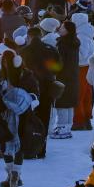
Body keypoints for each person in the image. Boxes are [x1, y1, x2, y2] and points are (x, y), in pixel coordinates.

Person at [0, 50, 38, 187]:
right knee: (18, 145)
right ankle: (15, 174)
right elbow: (34, 95)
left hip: (7, 115)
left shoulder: (2, 75)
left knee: (6, 144)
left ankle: (11, 175)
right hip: (22, 114)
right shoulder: (26, 75)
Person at [20, 26, 62, 157]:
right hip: (47, 88)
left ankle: (27, 147)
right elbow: (57, 68)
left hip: (28, 89)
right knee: (44, 118)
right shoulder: (50, 50)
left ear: (29, 37)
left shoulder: (24, 51)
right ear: (41, 35)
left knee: (27, 119)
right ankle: (41, 149)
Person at [52, 20, 81, 139]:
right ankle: (67, 127)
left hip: (63, 76)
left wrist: (53, 70)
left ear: (68, 30)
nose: (60, 29)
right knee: (69, 103)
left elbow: (60, 62)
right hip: (73, 75)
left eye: (63, 27)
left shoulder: (63, 44)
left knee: (62, 103)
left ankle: (61, 128)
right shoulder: (74, 43)